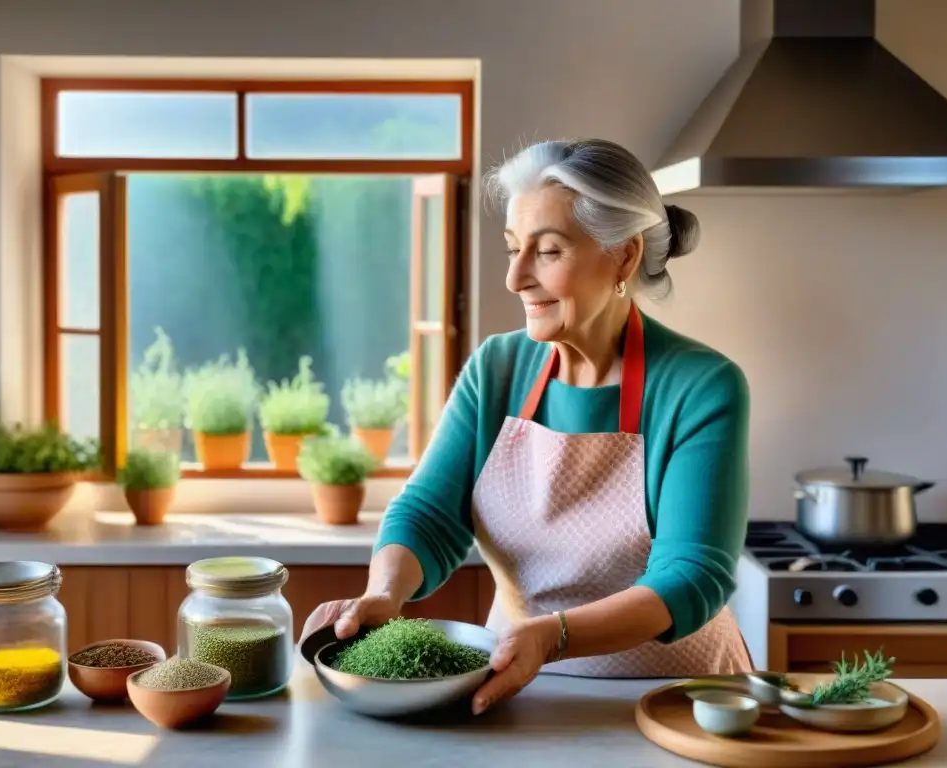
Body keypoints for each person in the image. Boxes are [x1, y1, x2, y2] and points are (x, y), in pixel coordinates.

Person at [301, 138, 753, 715]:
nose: (515, 278)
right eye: (514, 248)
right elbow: (428, 514)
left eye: (548, 251)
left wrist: (553, 636)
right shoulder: (498, 368)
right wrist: (384, 592)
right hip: (517, 688)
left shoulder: (700, 385)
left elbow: (692, 575)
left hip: (673, 700)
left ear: (623, 256)